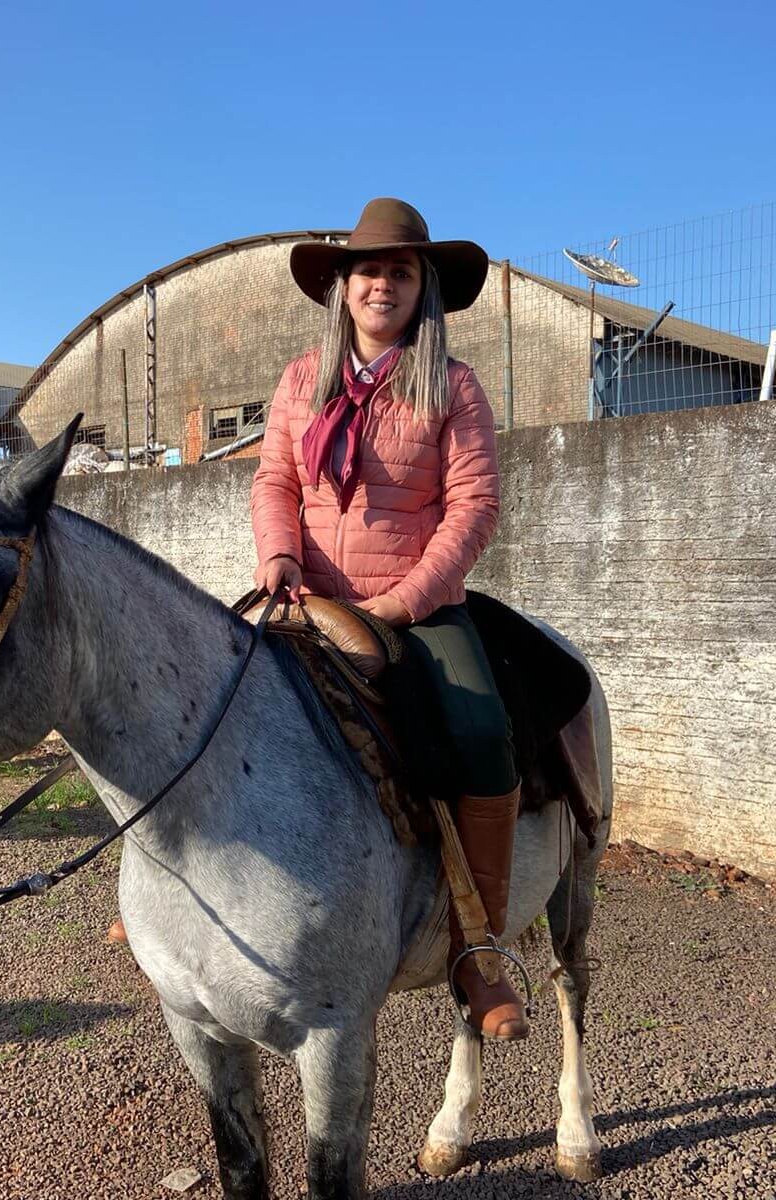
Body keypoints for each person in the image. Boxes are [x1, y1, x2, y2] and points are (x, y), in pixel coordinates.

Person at [250, 198, 526, 1040]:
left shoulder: (454, 386)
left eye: (400, 272)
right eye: (368, 270)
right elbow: (275, 482)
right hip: (308, 599)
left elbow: (473, 508)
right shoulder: (302, 379)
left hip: (417, 608)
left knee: (482, 733)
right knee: (211, 698)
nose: (382, 284)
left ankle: (478, 947)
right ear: (343, 286)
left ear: (421, 288)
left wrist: (402, 602)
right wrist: (279, 556)